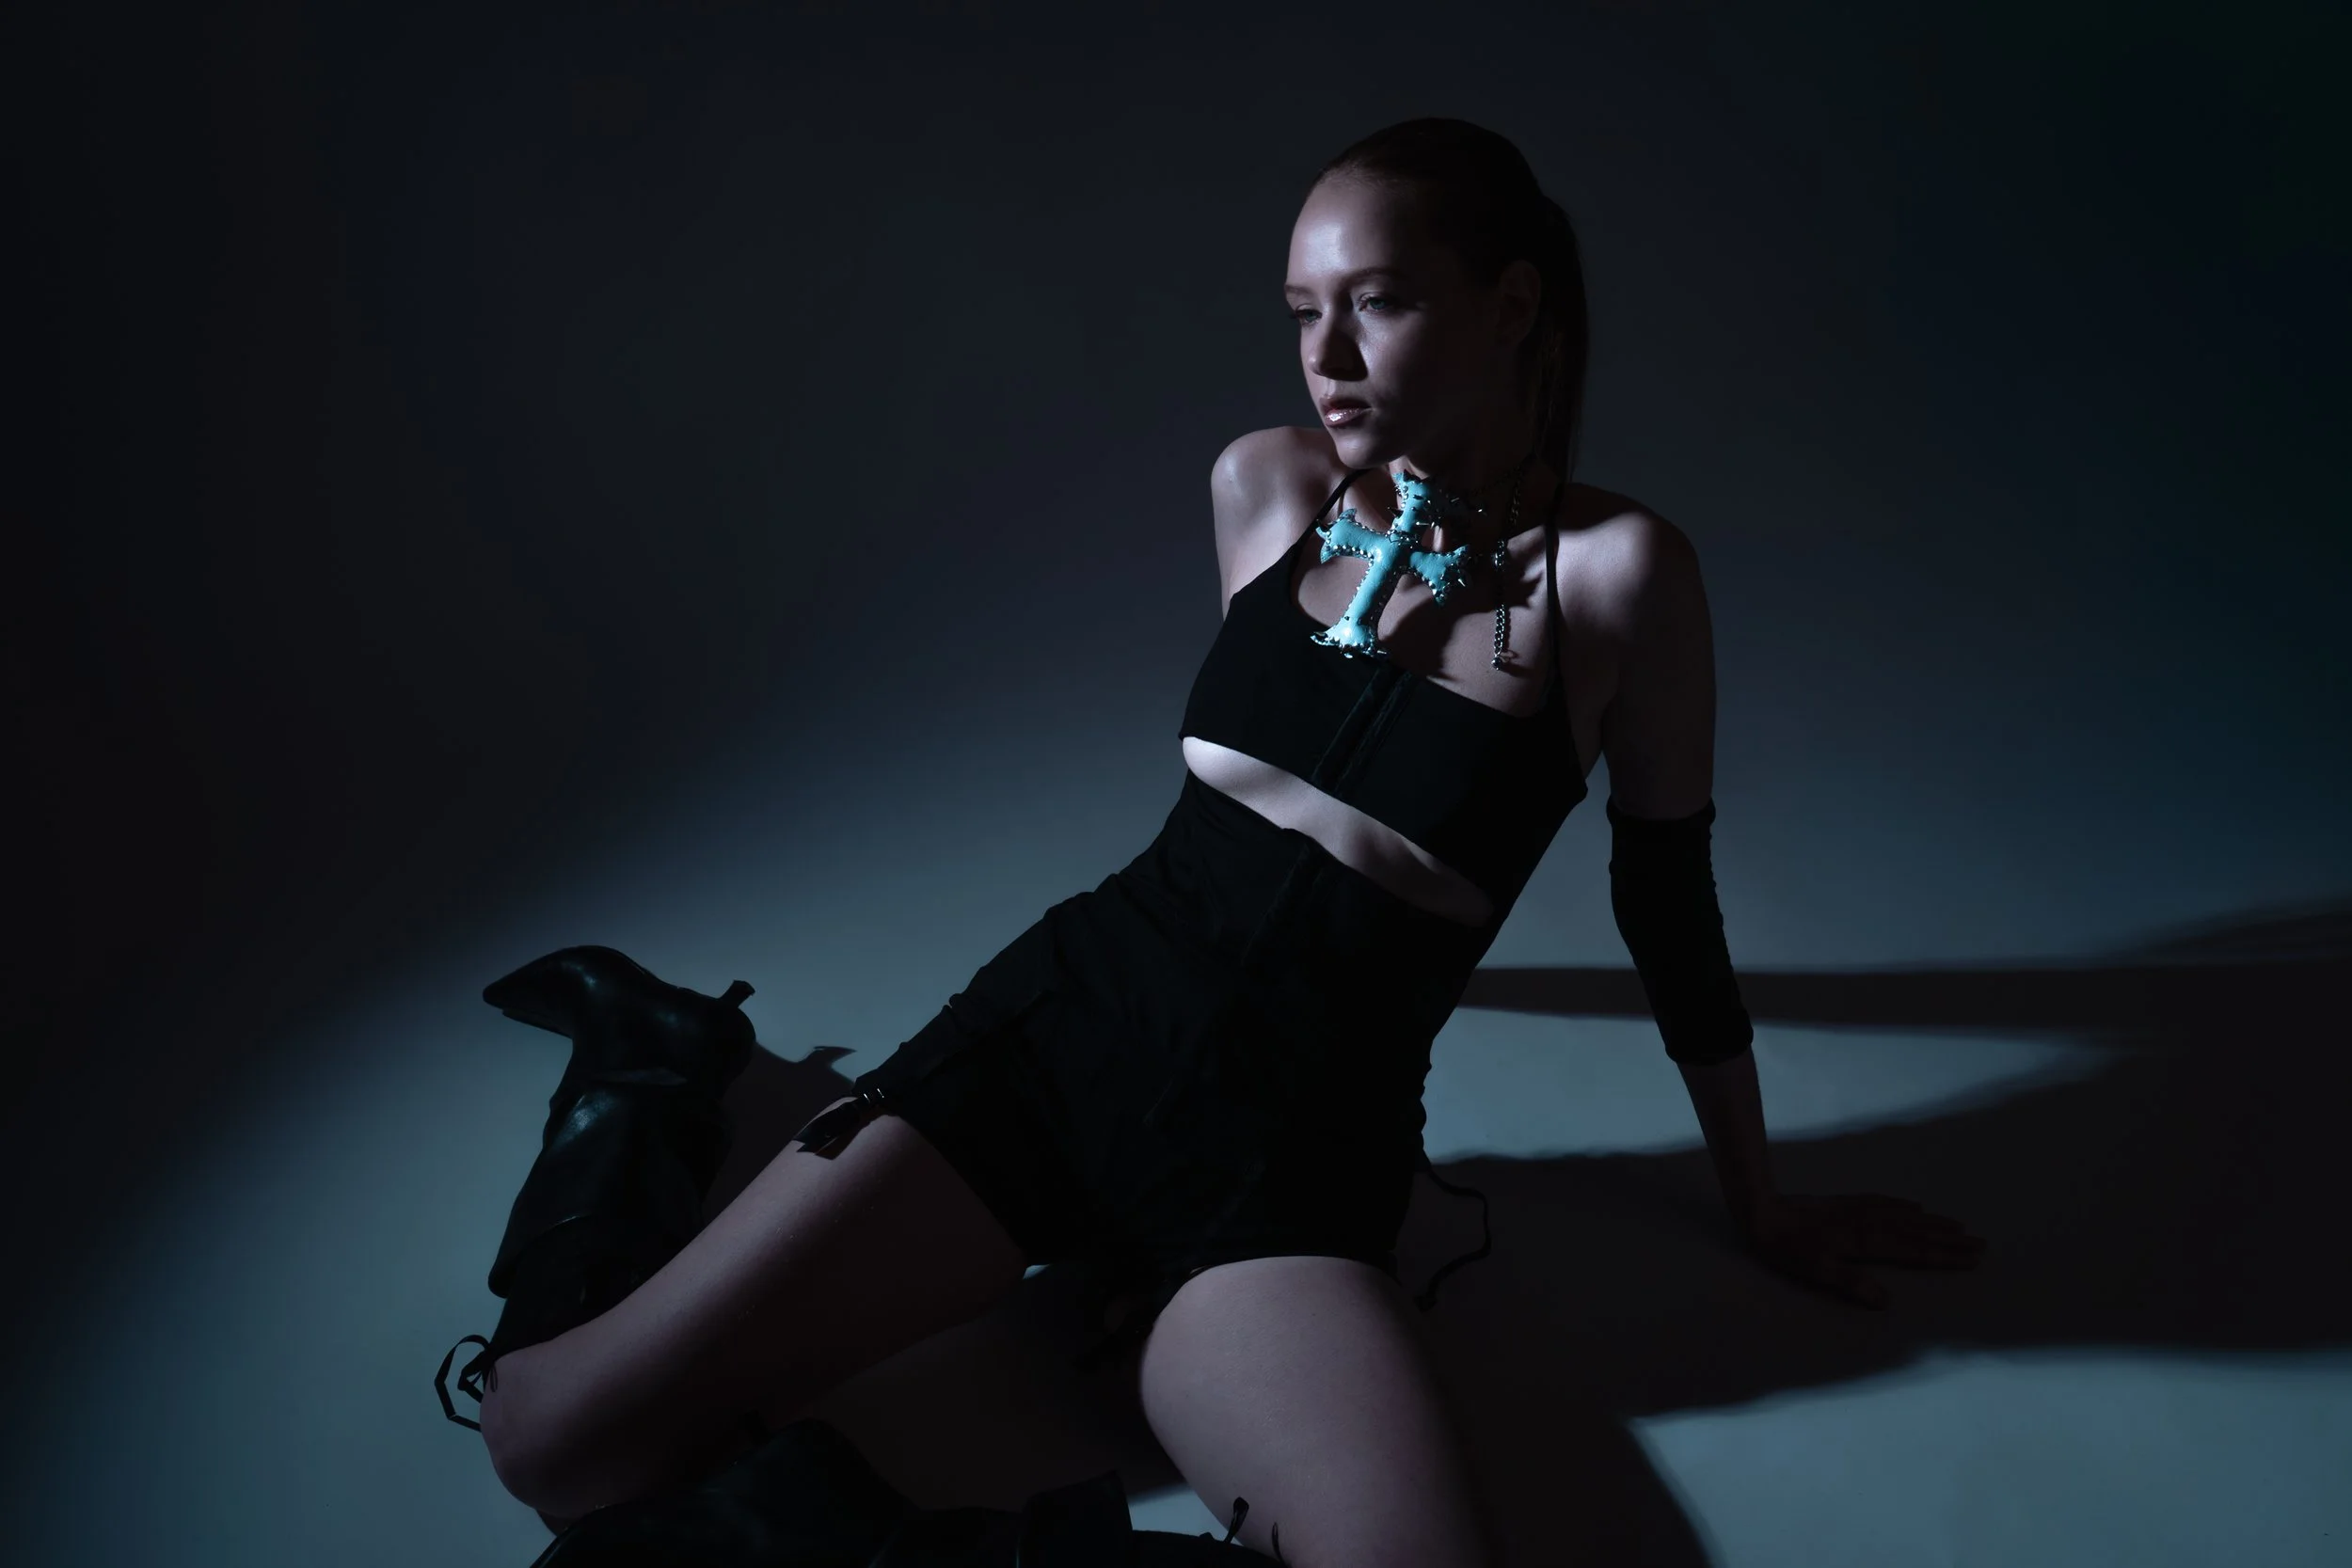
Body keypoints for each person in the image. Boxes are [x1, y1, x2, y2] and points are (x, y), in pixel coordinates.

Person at [432, 118, 1986, 1568]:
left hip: (1288, 1169)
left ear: (1513, 304)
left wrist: (1757, 1200)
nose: (1328, 356)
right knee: (553, 1440)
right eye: (1303, 311)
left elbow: (1666, 900)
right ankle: (656, 1068)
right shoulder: (1268, 485)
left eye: (1378, 303)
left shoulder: (1620, 577)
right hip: (1057, 1042)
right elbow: (1278, 812)